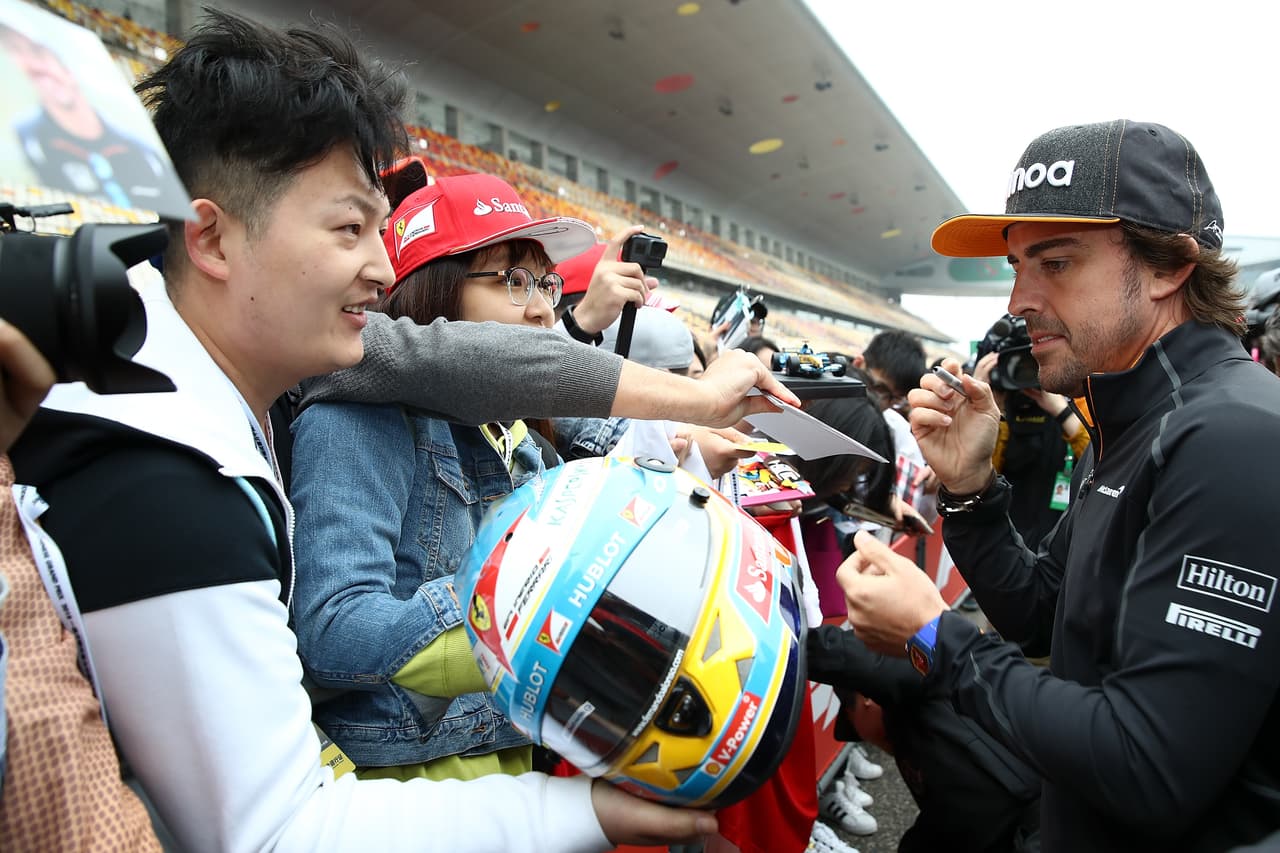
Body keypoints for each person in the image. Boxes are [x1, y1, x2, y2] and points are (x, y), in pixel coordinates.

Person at [9, 11, 794, 850]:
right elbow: (276, 828)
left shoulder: (181, 377)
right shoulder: (166, 475)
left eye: (380, 231)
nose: (383, 271)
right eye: (349, 229)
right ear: (209, 237)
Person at [840, 119, 1280, 850]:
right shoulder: (1130, 417)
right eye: (1017, 266)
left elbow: (1148, 764)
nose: (1019, 299)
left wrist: (935, 636)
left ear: (1169, 267)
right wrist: (971, 488)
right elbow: (1045, 614)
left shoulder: (1234, 436)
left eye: (1057, 263)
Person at [289, 170, 596, 781]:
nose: (541, 310)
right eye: (512, 281)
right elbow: (331, 633)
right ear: (436, 294)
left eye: (546, 283)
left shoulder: (525, 439)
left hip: (517, 760)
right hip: (411, 779)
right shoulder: (358, 419)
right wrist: (516, 606)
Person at [0, 22, 184, 210]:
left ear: (68, 69)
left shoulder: (140, 148)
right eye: (37, 75)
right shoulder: (24, 142)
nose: (49, 82)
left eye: (45, 61)